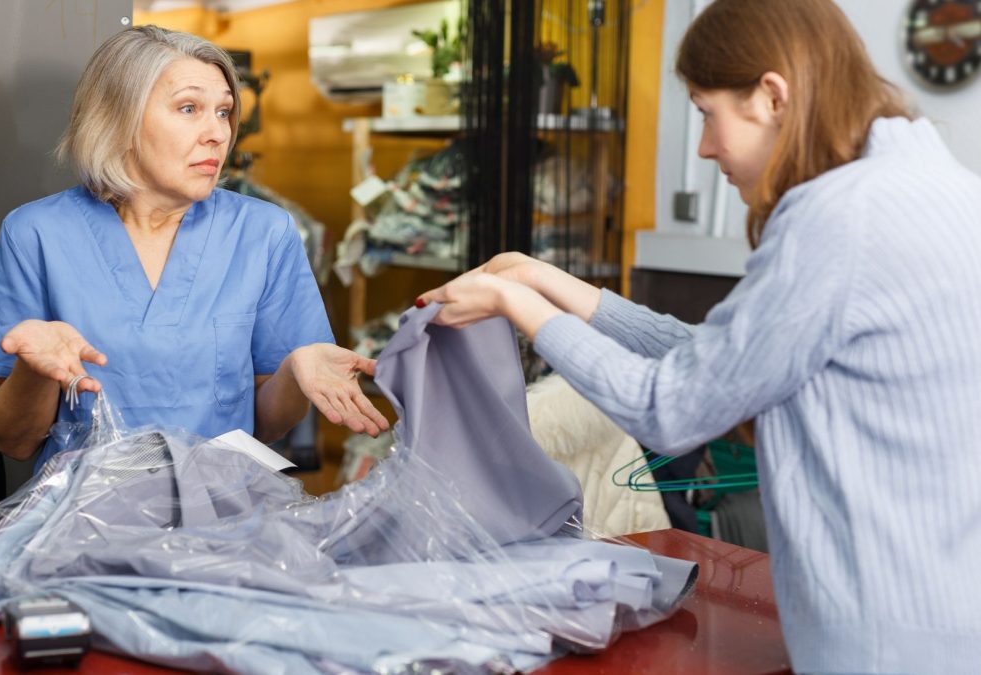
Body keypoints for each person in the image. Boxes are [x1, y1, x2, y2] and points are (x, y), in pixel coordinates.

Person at [417, 0, 981, 672]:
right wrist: (555, 285)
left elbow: (674, 406)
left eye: (707, 113)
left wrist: (519, 306)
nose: (707, 147)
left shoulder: (837, 220)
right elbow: (725, 358)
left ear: (772, 96)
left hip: (883, 641)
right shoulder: (936, 187)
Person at [0, 26, 388, 472]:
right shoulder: (37, 233)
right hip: (84, 523)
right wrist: (35, 371)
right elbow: (12, 440)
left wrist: (295, 371)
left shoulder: (264, 232)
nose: (217, 134)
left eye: (224, 112)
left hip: (218, 519)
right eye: (189, 108)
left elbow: (267, 426)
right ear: (119, 120)